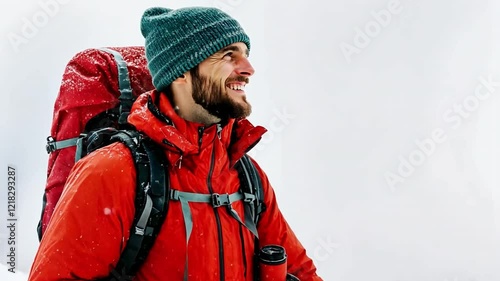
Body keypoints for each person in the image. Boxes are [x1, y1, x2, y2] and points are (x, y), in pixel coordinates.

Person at [29, 6, 323, 281]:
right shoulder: (112, 171)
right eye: (228, 54)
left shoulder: (246, 176)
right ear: (181, 71)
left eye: (245, 54)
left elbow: (300, 270)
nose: (248, 68)